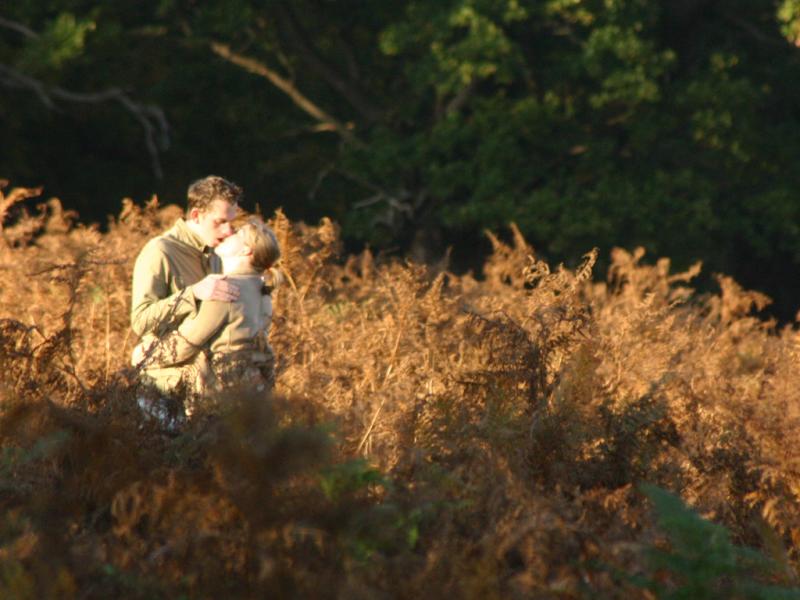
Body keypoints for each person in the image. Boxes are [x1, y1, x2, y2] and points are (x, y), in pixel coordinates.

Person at [133, 219, 280, 413]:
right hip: (249, 392)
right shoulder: (262, 290)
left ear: (246, 250)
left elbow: (186, 343)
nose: (228, 233)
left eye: (236, 233)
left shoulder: (226, 290)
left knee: (147, 384)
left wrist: (145, 356)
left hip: (217, 394)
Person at [130, 175, 241, 341]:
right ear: (196, 215)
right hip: (169, 364)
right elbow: (140, 321)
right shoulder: (159, 251)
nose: (228, 231)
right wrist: (194, 294)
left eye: (231, 223)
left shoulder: (218, 253)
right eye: (220, 222)